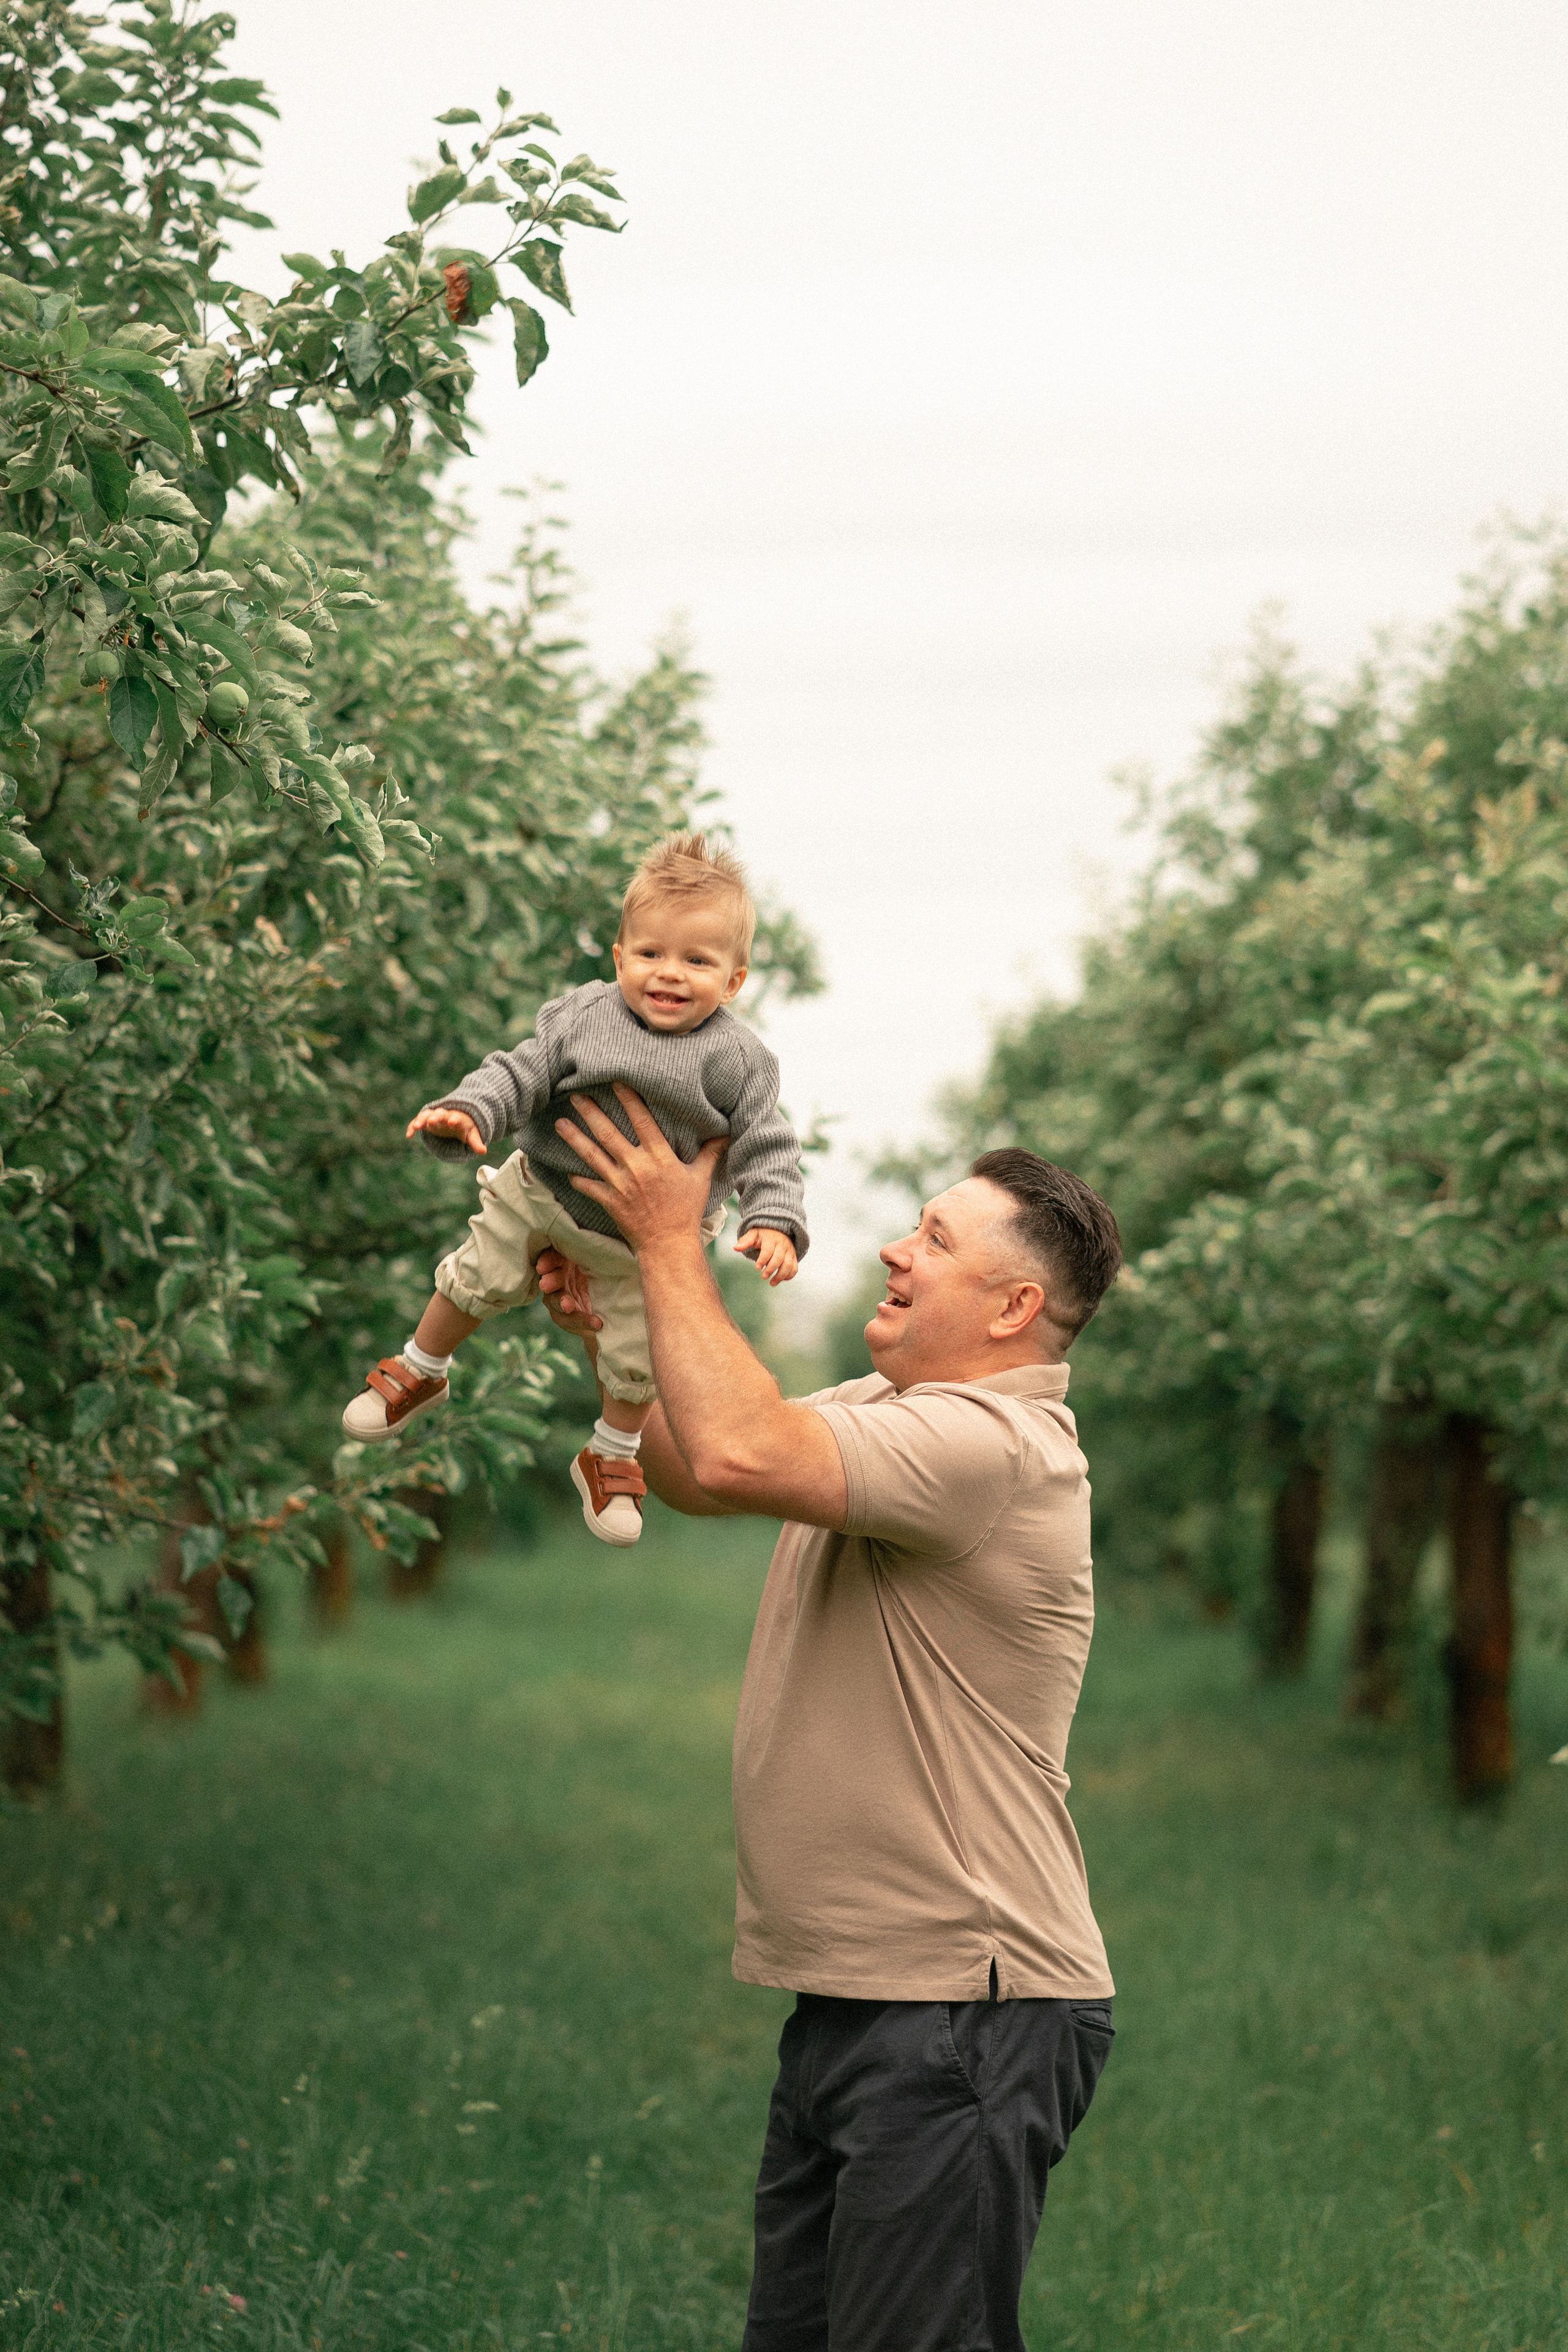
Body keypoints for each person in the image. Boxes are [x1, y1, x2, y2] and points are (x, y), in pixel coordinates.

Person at [536, 1086, 1123, 2352]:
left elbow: (744, 1453)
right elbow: (700, 1470)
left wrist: (661, 1238)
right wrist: (619, 1326)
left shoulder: (991, 1446)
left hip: (964, 2003)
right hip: (868, 1999)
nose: (895, 1252)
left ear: (1013, 1308)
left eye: (934, 1239)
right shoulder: (891, 1410)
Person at [339, 835, 809, 1545]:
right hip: (542, 1190)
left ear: (734, 981)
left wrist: (774, 1218)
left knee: (640, 1354)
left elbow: (765, 1143)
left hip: (640, 1246)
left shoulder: (739, 1060)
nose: (669, 974)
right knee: (476, 1275)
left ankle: (610, 1453)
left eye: (697, 961)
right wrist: (467, 1111)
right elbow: (519, 1072)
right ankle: (422, 1366)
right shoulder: (585, 1014)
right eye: (650, 954)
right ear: (619, 957)